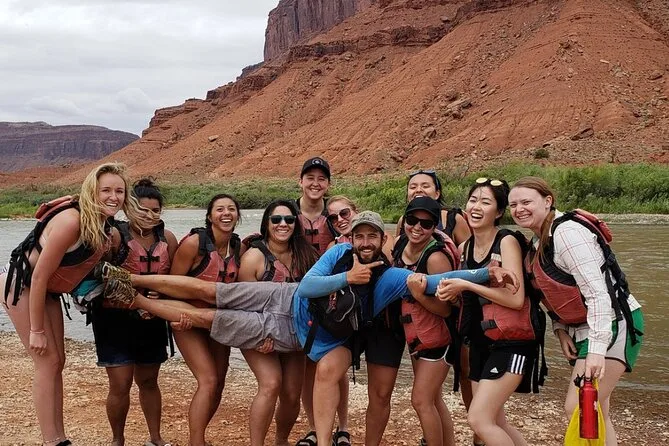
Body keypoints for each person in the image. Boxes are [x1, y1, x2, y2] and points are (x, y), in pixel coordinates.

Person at [94, 211, 519, 446]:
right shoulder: (337, 255)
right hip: (283, 298)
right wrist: (346, 277)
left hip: (295, 334)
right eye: (360, 236)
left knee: (208, 318)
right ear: (352, 239)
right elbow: (310, 285)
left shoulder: (390, 277)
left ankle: (136, 300)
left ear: (382, 240)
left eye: (372, 236)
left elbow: (440, 280)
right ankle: (130, 278)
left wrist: (487, 273)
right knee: (211, 292)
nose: (365, 242)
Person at [0, 162, 141, 446]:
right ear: (92, 191)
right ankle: (52, 441)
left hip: (47, 292)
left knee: (58, 362)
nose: (113, 197)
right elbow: (39, 276)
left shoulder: (104, 228)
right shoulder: (71, 222)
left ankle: (60, 437)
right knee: (46, 362)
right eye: (106, 190)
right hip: (21, 284)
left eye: (119, 191)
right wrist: (36, 330)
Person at [508, 176, 644, 446]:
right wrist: (561, 330)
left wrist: (595, 351)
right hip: (583, 328)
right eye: (513, 205)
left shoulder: (567, 233)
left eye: (526, 202)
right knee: (599, 410)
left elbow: (598, 294)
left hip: (613, 321)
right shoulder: (538, 242)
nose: (519, 209)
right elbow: (552, 293)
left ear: (547, 201)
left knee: (579, 406)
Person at [437, 177, 540, 446]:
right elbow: (467, 299)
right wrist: (452, 293)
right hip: (480, 342)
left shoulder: (507, 241)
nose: (476, 207)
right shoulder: (464, 248)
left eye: (485, 202)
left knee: (479, 420)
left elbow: (516, 299)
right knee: (496, 421)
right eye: (473, 200)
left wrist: (466, 284)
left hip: (512, 342)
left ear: (499, 211)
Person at [90, 178, 178, 446]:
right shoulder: (115, 236)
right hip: (114, 319)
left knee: (149, 380)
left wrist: (161, 296)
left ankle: (156, 438)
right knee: (120, 383)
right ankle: (117, 440)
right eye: (143, 210)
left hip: (152, 320)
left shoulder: (168, 239)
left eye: (156, 210)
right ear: (129, 208)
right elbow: (98, 275)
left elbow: (176, 279)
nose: (150, 216)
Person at [238, 199, 318, 446]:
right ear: (267, 223)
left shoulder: (306, 255)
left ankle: (281, 441)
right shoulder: (253, 257)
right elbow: (244, 305)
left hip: (293, 334)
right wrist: (260, 336)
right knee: (271, 383)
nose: (283, 224)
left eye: (289, 219)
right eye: (276, 219)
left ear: (296, 224)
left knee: (292, 394)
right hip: (258, 333)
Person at [168, 193, 245, 446]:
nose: (226, 213)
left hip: (218, 321)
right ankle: (196, 442)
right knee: (208, 380)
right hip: (187, 319)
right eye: (220, 209)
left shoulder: (239, 247)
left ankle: (199, 434)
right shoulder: (194, 244)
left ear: (238, 215)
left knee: (219, 383)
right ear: (210, 216)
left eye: (231, 209)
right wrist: (176, 316)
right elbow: (171, 285)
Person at [391, 197, 458, 446]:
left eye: (426, 223)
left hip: (440, 337)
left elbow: (446, 309)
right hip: (417, 334)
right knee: (433, 399)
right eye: (412, 220)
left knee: (420, 400)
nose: (417, 227)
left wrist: (419, 295)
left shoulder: (435, 258)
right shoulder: (400, 244)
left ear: (434, 227)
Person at [295, 157, 336, 256]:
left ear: (328, 184)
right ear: (300, 181)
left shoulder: (338, 212)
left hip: (331, 265)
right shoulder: (288, 211)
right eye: (310, 178)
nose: (316, 184)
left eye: (321, 179)